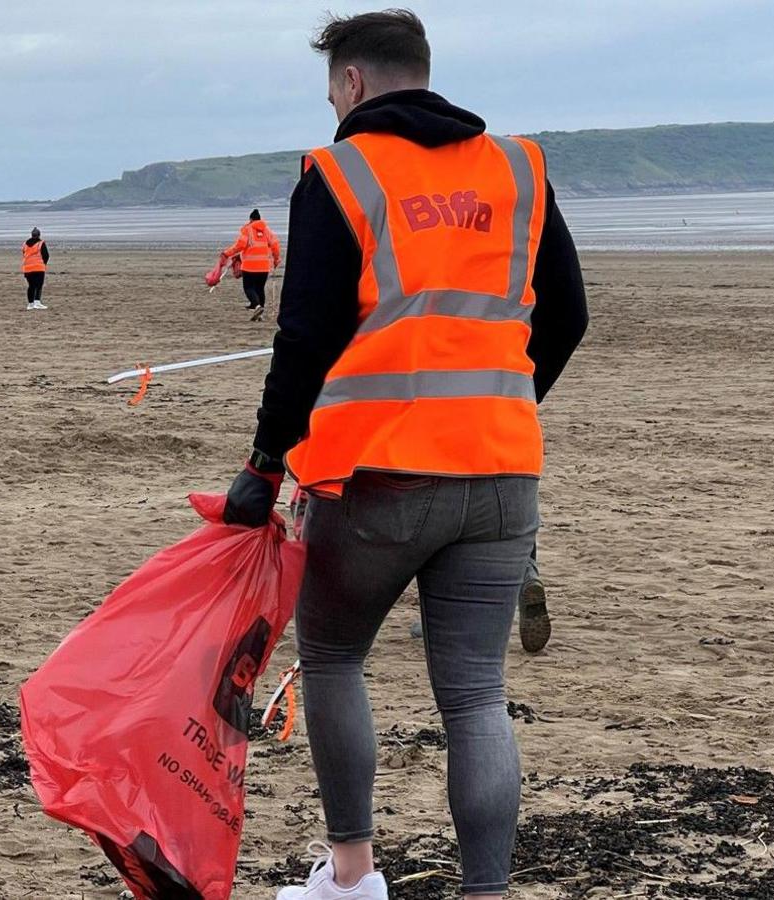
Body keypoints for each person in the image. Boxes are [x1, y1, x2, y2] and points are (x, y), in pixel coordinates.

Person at [221, 10, 588, 900]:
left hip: (375, 477)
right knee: (473, 695)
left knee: (338, 657)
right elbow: (567, 315)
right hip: (501, 473)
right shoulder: (517, 167)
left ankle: (351, 877)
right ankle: (485, 893)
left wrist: (265, 464)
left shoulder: (341, 172)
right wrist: (498, 406)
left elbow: (302, 338)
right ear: (422, 72)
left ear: (349, 84)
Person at [222, 209, 282, 320]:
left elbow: (240, 245)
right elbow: (275, 245)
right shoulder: (267, 231)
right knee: (260, 289)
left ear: (251, 219)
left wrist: (227, 253)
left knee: (249, 288)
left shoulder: (247, 230)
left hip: (249, 266)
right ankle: (260, 315)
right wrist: (276, 259)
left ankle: (257, 306)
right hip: (264, 266)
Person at [22, 227, 50, 310]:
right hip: (38, 267)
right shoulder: (41, 243)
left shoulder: (25, 244)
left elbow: (24, 254)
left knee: (31, 286)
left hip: (27, 268)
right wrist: (43, 264)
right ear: (39, 235)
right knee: (38, 285)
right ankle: (37, 302)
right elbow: (46, 255)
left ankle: (30, 304)